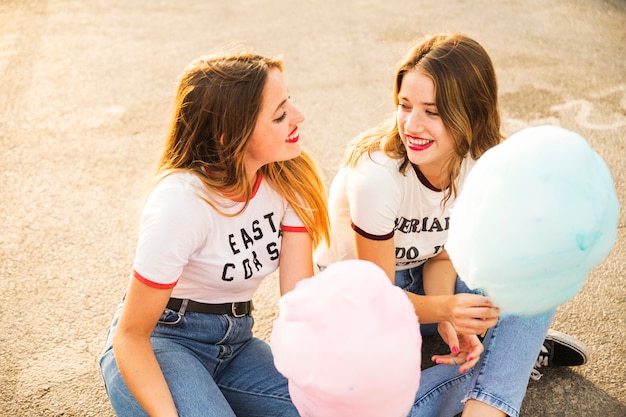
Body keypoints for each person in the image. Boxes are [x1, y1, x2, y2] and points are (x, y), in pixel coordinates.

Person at [315, 33, 588, 417]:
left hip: (423, 286)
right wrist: (447, 309)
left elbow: (441, 255)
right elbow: (376, 299)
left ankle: (490, 399)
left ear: (471, 114)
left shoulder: (483, 164)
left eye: (432, 111)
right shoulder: (376, 174)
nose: (412, 124)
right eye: (404, 105)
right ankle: (512, 358)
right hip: (362, 299)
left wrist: (450, 315)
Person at [99, 48, 330, 417]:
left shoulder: (289, 176)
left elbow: (299, 301)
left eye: (290, 104)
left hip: (237, 342)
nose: (299, 117)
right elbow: (131, 336)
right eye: (280, 114)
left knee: (330, 407)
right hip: (162, 341)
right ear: (228, 137)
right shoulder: (181, 203)